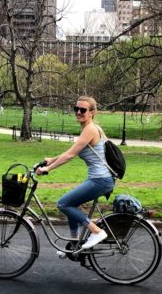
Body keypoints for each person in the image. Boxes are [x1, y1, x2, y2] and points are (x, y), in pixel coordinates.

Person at [36, 96, 115, 251]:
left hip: (101, 179)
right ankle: (74, 244)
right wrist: (51, 160)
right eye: (76, 109)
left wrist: (47, 169)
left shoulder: (90, 129)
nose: (78, 112)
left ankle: (97, 231)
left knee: (63, 203)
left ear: (92, 112)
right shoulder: (89, 128)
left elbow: (70, 155)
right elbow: (71, 151)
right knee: (71, 205)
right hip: (100, 178)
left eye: (83, 110)